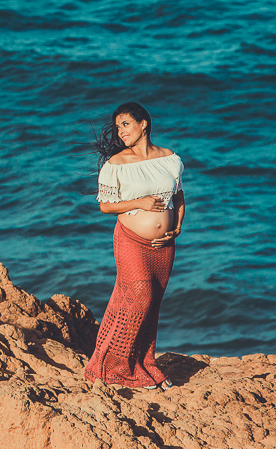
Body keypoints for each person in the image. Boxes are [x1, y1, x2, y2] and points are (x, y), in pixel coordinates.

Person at [83, 101, 185, 390]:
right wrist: (140, 202)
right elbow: (105, 206)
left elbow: (178, 198)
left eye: (125, 124)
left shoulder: (170, 159)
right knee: (138, 298)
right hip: (130, 240)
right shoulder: (117, 164)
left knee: (152, 304)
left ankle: (143, 362)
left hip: (164, 245)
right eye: (117, 127)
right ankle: (114, 367)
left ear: (143, 124)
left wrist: (176, 229)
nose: (120, 132)